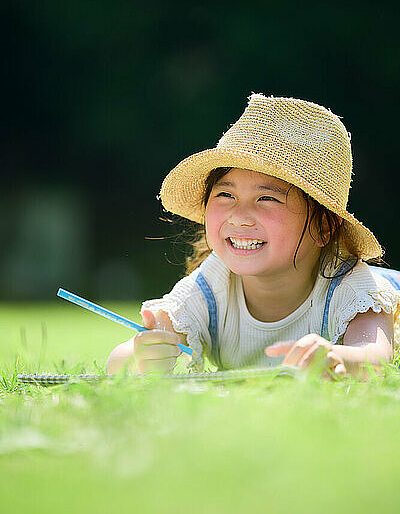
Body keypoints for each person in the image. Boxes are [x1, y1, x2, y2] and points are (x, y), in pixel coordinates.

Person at [107, 94, 400, 378]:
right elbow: (121, 361)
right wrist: (142, 353)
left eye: (266, 199)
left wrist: (338, 358)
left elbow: (373, 356)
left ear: (323, 227)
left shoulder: (353, 287)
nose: (239, 215)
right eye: (225, 194)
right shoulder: (211, 287)